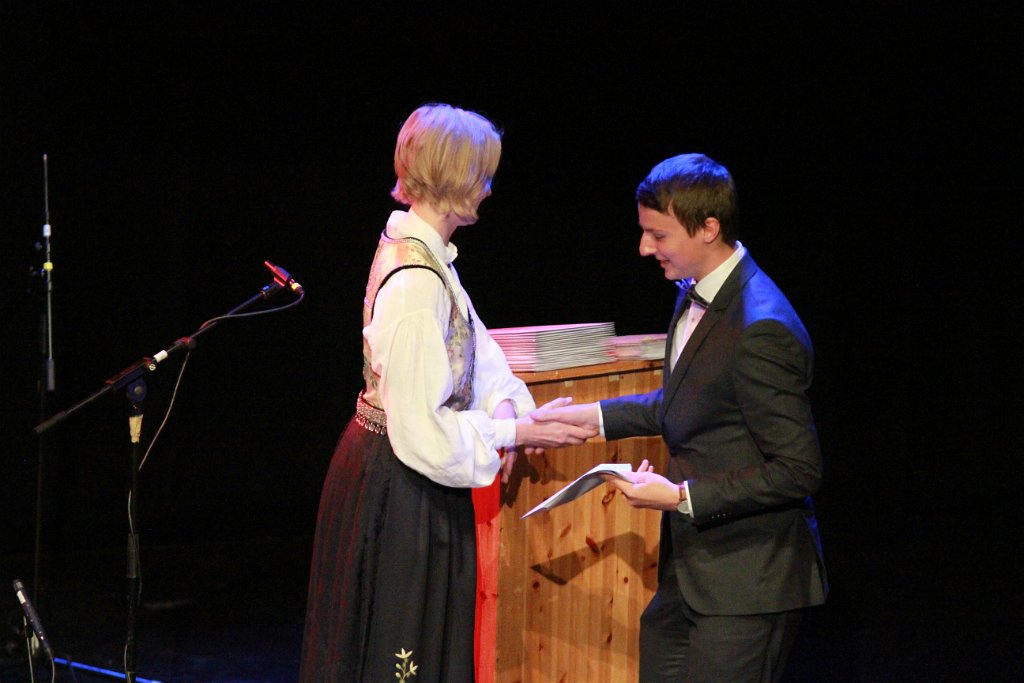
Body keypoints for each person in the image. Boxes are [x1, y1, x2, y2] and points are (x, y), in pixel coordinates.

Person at [299, 104, 596, 682]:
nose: (489, 188)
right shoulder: (415, 282)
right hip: (400, 482)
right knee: (401, 646)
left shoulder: (431, 258)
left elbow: (477, 349)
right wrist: (515, 430)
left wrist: (507, 406)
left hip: (414, 480)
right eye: (483, 174)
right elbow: (422, 429)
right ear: (457, 178)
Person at [532, 153, 827, 682]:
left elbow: (798, 470)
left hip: (747, 582)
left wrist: (680, 497)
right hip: (691, 573)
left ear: (708, 229)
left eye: (658, 235)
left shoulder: (762, 328)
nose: (645, 248)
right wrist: (588, 418)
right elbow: (689, 399)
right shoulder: (697, 291)